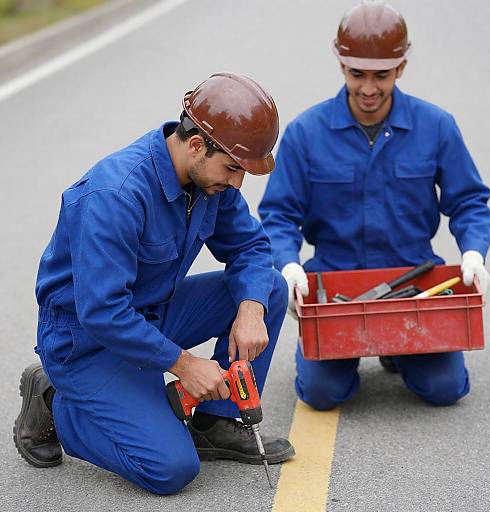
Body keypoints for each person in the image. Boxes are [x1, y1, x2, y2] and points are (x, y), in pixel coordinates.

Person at [13, 72, 294, 495]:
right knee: (170, 468)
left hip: (151, 315)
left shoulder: (209, 179)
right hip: (88, 342)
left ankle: (215, 422)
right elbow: (103, 312)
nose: (237, 183)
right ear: (197, 145)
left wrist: (251, 309)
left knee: (267, 288)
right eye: (234, 168)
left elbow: (251, 246)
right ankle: (56, 401)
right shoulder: (115, 195)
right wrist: (185, 365)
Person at [258, 1, 490, 411]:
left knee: (445, 389)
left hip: (414, 280)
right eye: (357, 74)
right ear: (341, 65)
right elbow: (278, 214)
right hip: (336, 284)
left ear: (401, 67)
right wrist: (289, 265)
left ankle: (396, 349)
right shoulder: (305, 133)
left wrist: (474, 252)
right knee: (321, 394)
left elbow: (470, 201)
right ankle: (365, 354)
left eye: (381, 75)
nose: (368, 88)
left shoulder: (436, 126)